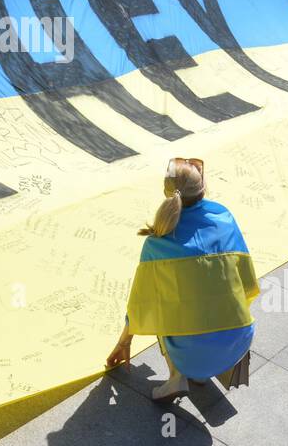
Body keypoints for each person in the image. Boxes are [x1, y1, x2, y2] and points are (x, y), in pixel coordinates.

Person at [105, 158, 259, 402]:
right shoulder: (225, 218)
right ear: (203, 188)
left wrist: (124, 341)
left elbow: (141, 305)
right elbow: (247, 284)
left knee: (165, 306)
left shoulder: (157, 243)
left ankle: (178, 376)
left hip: (191, 352)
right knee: (206, 299)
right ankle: (201, 372)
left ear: (167, 193)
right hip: (239, 342)